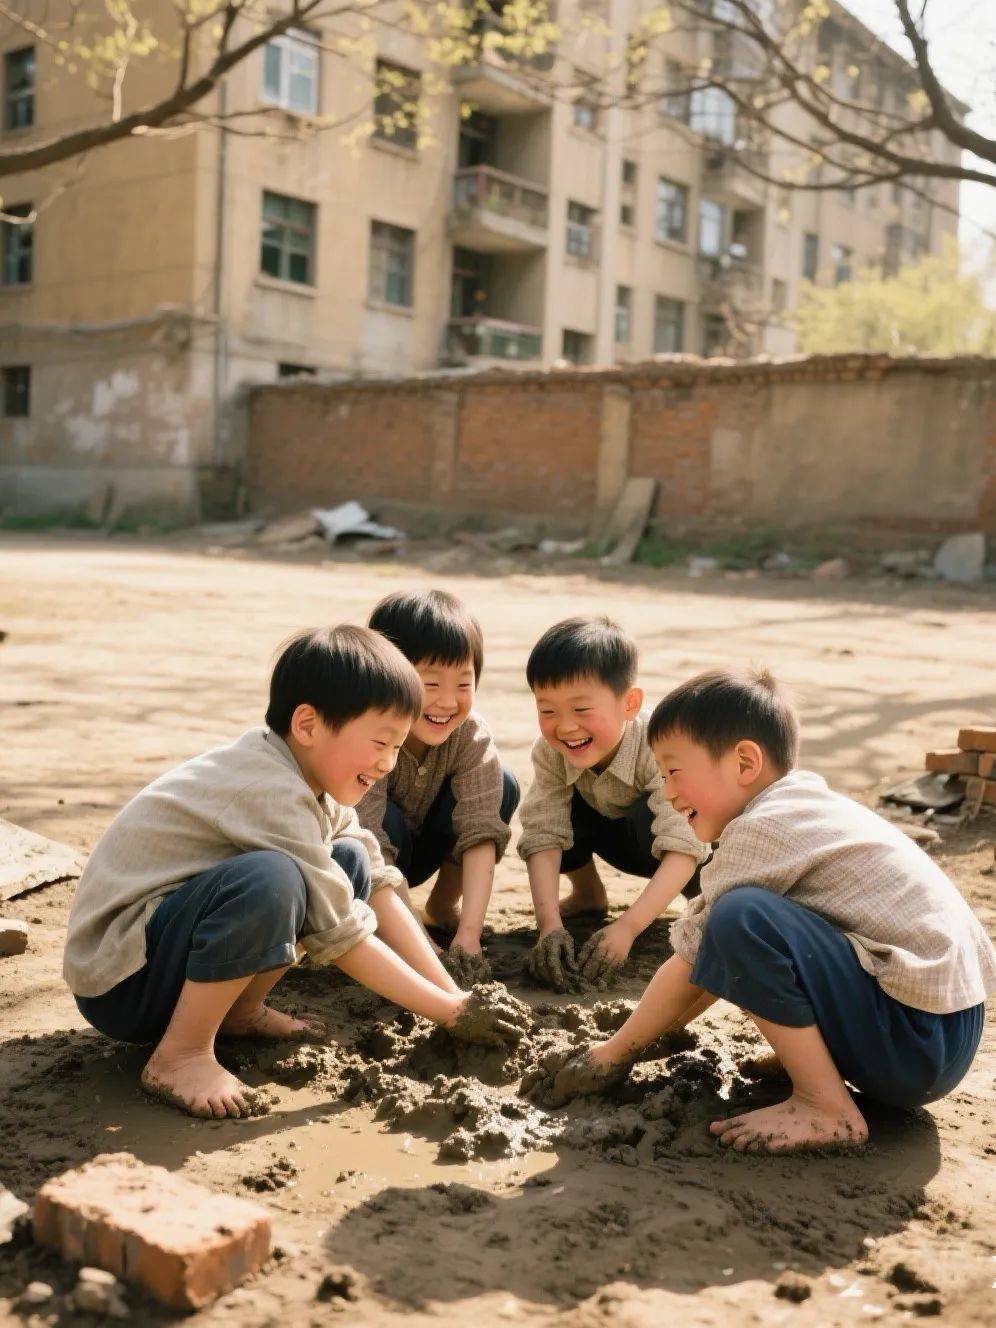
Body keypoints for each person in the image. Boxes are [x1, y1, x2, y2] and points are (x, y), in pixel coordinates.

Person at [65, 625, 522, 1120]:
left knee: (347, 860)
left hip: (166, 952)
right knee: (272, 880)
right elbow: (342, 935)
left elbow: (376, 879)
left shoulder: (311, 781)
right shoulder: (269, 788)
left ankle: (238, 1012)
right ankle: (181, 1055)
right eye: (381, 743)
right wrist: (449, 1013)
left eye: (397, 747)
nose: (389, 764)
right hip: (122, 982)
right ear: (307, 725)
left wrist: (454, 994)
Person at [545, 667, 996, 1153]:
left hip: (915, 1040)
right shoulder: (804, 806)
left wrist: (613, 1054)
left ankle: (824, 1105)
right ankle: (816, 1060)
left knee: (738, 917)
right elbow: (712, 963)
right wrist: (651, 1040)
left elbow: (697, 955)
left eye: (673, 772)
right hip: (945, 1031)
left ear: (744, 762)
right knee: (741, 923)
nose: (668, 793)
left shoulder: (764, 828)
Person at [517, 615, 706, 991]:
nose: (565, 726)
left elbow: (686, 846)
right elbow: (543, 835)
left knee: (708, 908)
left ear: (629, 703)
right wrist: (549, 927)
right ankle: (588, 894)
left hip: (694, 855)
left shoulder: (659, 746)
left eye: (581, 710)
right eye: (548, 711)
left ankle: (701, 904)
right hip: (619, 839)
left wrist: (628, 927)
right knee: (553, 811)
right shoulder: (551, 752)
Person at [357, 589, 519, 984]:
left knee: (503, 783)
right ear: (386, 678)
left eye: (463, 684)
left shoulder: (470, 735)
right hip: (367, 867)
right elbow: (369, 845)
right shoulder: (365, 736)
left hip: (426, 847)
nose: (448, 702)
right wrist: (423, 947)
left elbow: (480, 831)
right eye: (430, 684)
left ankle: (443, 907)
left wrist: (470, 934)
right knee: (383, 822)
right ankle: (392, 922)